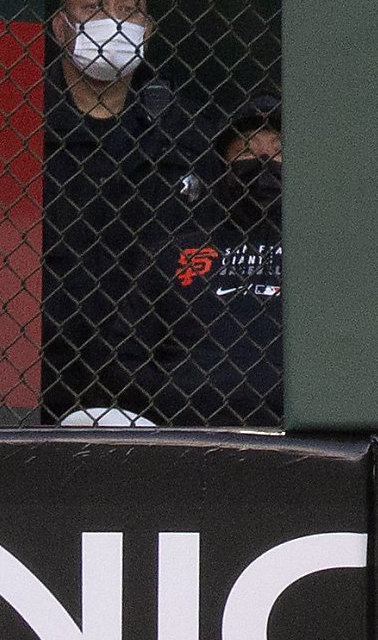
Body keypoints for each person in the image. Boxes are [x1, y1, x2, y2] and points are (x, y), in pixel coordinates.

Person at [40, 0, 213, 426]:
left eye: (126, 9)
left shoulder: (183, 129)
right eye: (93, 8)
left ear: (148, 27)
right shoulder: (22, 122)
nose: (112, 22)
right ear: (62, 26)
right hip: (37, 366)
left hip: (152, 373)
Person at [111, 95, 285, 427]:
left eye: (279, 150)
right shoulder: (173, 253)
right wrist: (172, 400)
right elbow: (126, 353)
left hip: (298, 434)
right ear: (222, 163)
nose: (264, 159)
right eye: (247, 149)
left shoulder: (325, 257)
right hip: (191, 431)